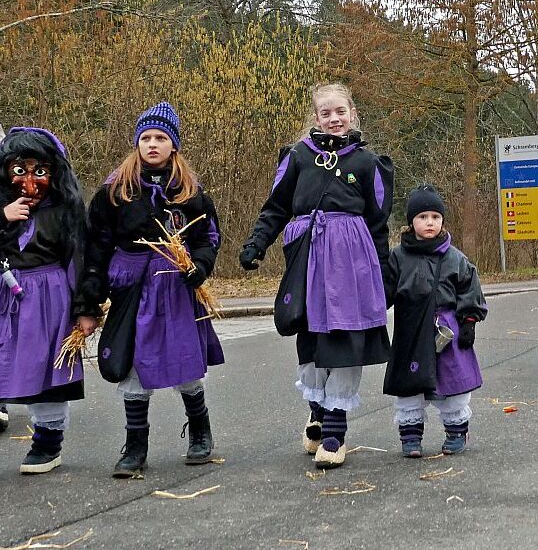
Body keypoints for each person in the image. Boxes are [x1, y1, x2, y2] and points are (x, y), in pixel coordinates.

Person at [239, 83, 393, 469]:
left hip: (351, 264)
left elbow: (378, 224)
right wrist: (256, 244)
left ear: (352, 113)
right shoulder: (297, 158)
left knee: (344, 341)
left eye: (340, 111)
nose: (334, 119)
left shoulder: (368, 163)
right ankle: (318, 409)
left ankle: (335, 433)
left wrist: (384, 274)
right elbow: (275, 207)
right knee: (309, 342)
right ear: (316, 117)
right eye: (325, 113)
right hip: (307, 261)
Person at [81, 102, 224, 477]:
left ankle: (200, 430)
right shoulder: (116, 189)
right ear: (137, 143)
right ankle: (134, 445)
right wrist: (91, 298)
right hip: (131, 288)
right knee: (131, 367)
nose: (153, 144)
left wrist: (200, 267)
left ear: (173, 144)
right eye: (146, 138)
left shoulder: (190, 191)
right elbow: (96, 244)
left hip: (175, 287)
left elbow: (208, 236)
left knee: (184, 364)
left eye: (161, 137)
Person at [0, 128, 97, 473]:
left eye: (39, 171)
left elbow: (83, 260)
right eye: (19, 169)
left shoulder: (65, 211)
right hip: (6, 296)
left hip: (49, 297)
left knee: (47, 368)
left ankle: (47, 442)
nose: (29, 180)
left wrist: (86, 308)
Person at [383, 185, 486, 458]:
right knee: (410, 384)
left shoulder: (455, 258)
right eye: (422, 217)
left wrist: (469, 321)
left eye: (435, 217)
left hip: (447, 329)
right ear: (411, 222)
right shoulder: (398, 257)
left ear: (442, 221)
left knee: (452, 382)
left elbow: (469, 289)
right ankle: (410, 436)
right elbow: (385, 291)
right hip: (410, 328)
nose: (429, 222)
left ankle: (455, 432)